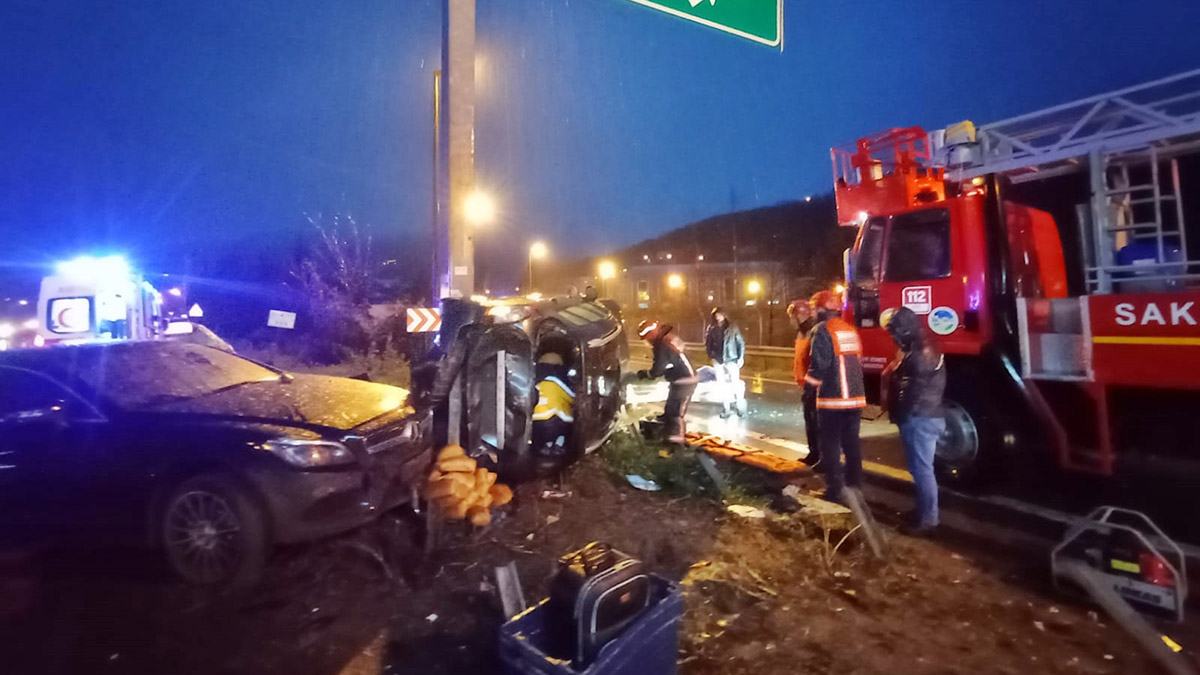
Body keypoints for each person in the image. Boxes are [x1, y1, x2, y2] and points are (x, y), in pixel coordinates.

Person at [885, 307, 947, 536]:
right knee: (918, 469)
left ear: (904, 330)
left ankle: (929, 521)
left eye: (895, 333)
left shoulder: (920, 354)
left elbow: (913, 392)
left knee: (922, 470)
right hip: (924, 415)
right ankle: (923, 511)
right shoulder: (923, 346)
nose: (894, 338)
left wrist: (901, 414)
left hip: (921, 418)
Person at [805, 290, 866, 504]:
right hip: (855, 398)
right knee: (851, 443)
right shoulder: (850, 330)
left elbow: (819, 365)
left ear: (822, 310)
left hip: (833, 398)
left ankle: (834, 489)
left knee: (830, 444)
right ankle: (855, 485)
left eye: (815, 309)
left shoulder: (822, 330)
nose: (813, 314)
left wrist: (809, 389)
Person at [636, 319, 698, 448]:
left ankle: (676, 444)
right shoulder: (669, 338)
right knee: (669, 410)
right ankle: (667, 436)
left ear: (651, 335)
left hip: (685, 380)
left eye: (647, 339)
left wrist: (647, 374)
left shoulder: (663, 345)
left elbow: (658, 369)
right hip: (681, 379)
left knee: (676, 413)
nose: (647, 343)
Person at [787, 299, 821, 468]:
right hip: (807, 384)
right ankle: (813, 453)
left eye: (792, 317)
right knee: (810, 421)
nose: (790, 321)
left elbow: (816, 361)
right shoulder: (802, 333)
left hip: (814, 385)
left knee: (816, 422)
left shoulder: (813, 332)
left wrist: (812, 385)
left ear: (800, 316)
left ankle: (820, 456)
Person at [531, 351, 575, 466]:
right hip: (557, 418)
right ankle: (558, 445)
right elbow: (571, 396)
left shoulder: (534, 379)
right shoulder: (558, 381)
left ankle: (544, 447)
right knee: (564, 430)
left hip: (537, 417)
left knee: (538, 436)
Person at [703, 307, 747, 418]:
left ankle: (740, 407)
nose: (718, 317)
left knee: (735, 384)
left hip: (731, 358)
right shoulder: (712, 328)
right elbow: (708, 343)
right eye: (716, 315)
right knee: (722, 385)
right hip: (718, 359)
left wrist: (741, 357)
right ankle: (726, 408)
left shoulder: (732, 327)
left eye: (719, 315)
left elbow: (740, 342)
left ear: (724, 315)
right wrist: (711, 356)